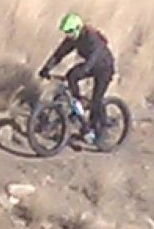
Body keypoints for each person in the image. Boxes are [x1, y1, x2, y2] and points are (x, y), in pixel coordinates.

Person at [39, 14, 115, 146]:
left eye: (70, 31)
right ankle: (77, 103)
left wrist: (85, 69)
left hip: (104, 68)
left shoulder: (91, 37)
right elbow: (58, 55)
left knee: (97, 99)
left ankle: (103, 129)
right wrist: (46, 68)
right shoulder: (72, 39)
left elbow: (94, 56)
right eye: (66, 32)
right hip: (91, 66)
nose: (68, 34)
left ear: (78, 28)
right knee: (71, 75)